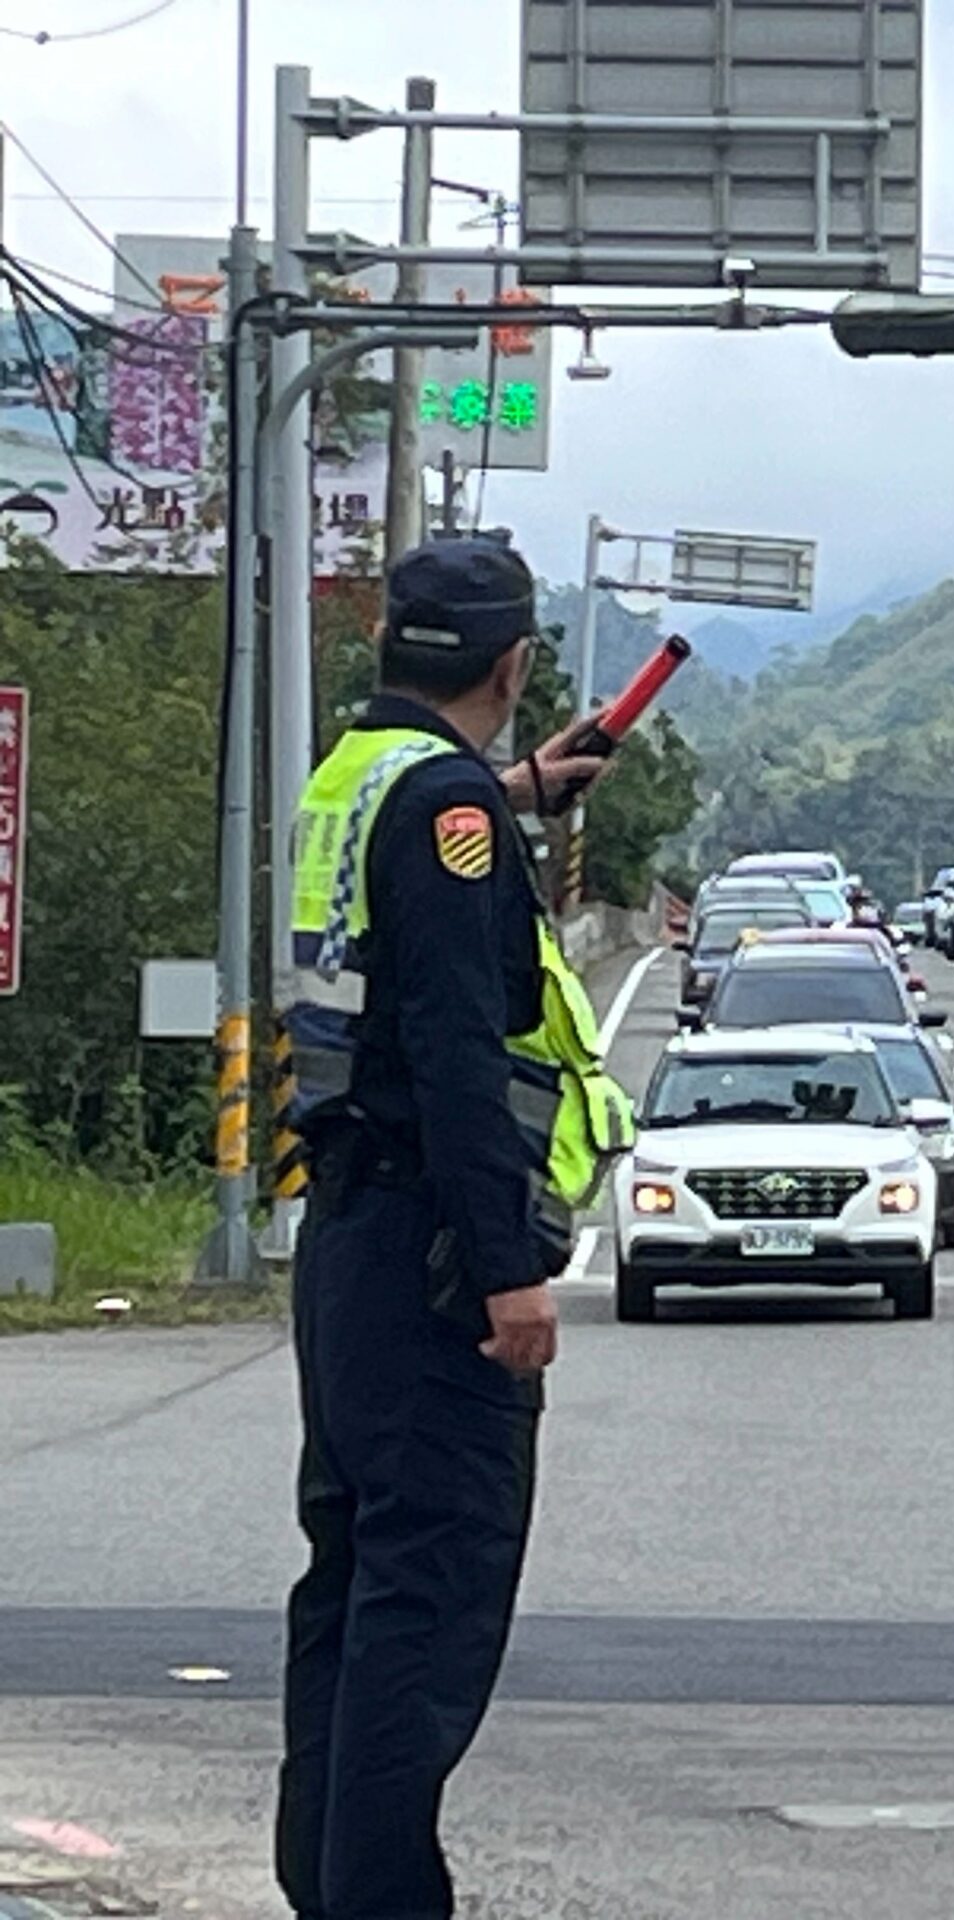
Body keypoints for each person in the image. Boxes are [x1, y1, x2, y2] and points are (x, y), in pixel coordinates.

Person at [274, 536, 635, 1919]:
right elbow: (455, 1054)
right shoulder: (446, 815)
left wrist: (518, 785)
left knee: (354, 1581)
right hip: (434, 1247)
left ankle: (328, 1883)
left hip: (349, 1237)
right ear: (515, 662)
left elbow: (419, 851)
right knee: (429, 1604)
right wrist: (511, 1275)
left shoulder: (359, 778)